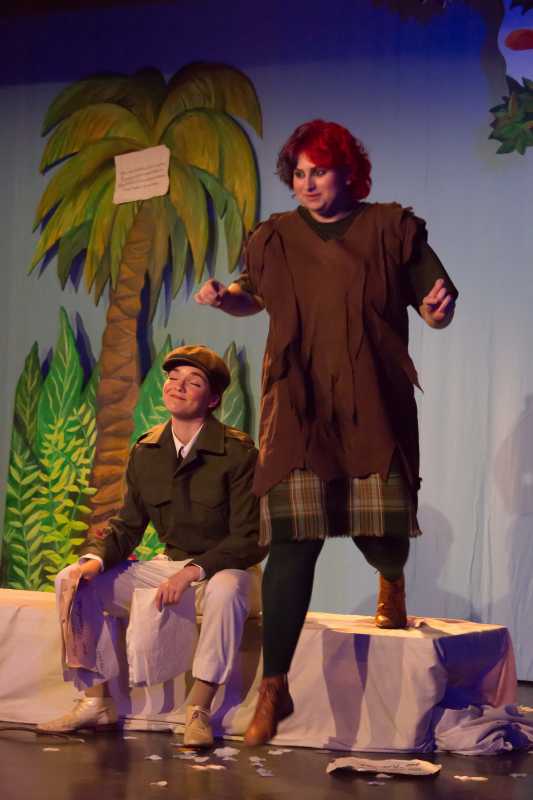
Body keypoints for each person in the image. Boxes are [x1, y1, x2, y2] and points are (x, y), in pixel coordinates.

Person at [194, 119, 458, 745]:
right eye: (300, 173)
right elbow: (250, 295)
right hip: (298, 407)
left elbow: (434, 304)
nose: (308, 183)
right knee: (293, 541)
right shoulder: (274, 237)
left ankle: (391, 575)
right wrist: (224, 298)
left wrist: (437, 312)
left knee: (380, 533)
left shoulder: (391, 228)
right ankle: (273, 687)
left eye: (320, 171)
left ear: (348, 173)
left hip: (370, 403)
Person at [37, 344, 265, 747]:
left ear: (212, 399)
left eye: (193, 382)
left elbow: (248, 539)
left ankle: (198, 709)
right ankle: (96, 701)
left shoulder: (238, 451)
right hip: (171, 566)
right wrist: (93, 561)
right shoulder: (147, 450)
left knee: (227, 588)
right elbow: (128, 527)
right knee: (75, 581)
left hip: (229, 571)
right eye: (173, 379)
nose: (178, 386)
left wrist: (191, 572)